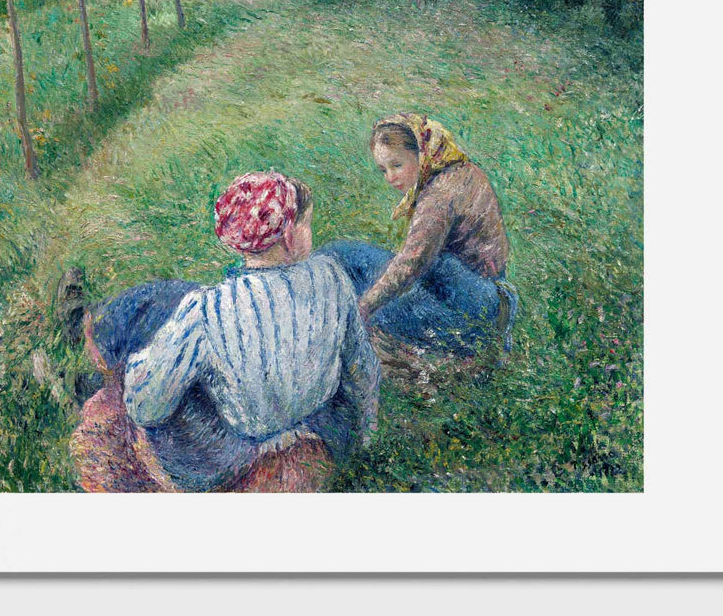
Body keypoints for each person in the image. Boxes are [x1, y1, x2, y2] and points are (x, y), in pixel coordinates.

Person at [70, 171, 380, 493]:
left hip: (235, 453)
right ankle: (97, 331)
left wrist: (136, 374)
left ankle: (95, 342)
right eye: (307, 224)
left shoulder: (207, 308)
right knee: (169, 305)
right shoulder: (332, 276)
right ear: (289, 236)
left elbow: (148, 408)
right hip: (317, 425)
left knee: (160, 317)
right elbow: (362, 367)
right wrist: (364, 432)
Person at [321, 113, 518, 364]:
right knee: (347, 256)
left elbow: (411, 264)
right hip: (479, 288)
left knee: (357, 287)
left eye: (397, 165)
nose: (390, 177)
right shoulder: (461, 171)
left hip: (470, 306)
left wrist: (365, 307)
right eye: (383, 169)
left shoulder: (438, 196)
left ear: (421, 153)